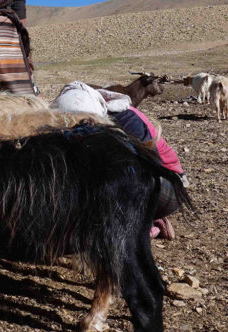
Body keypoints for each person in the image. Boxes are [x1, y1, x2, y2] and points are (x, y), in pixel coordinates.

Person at [54, 81, 186, 239]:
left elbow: (150, 168)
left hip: (167, 182)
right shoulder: (92, 120)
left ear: (92, 117)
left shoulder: (127, 119)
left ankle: (144, 221)